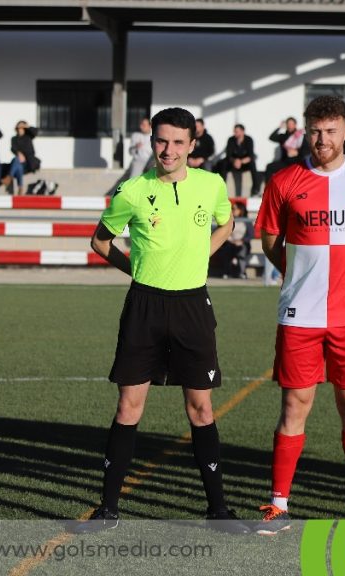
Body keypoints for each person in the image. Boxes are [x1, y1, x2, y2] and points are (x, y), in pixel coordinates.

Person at [73, 107, 247, 534]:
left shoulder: (211, 185)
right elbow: (99, 241)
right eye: (160, 141)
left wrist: (202, 253)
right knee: (129, 406)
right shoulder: (131, 191)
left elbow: (228, 222)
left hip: (192, 306)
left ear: (192, 145)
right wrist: (136, 268)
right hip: (145, 306)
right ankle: (109, 511)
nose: (167, 150)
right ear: (152, 141)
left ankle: (218, 512)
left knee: (201, 408)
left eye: (176, 142)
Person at [255, 96, 345, 535]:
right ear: (307, 133)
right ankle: (279, 503)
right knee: (294, 404)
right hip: (300, 317)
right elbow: (270, 242)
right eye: (316, 131)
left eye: (331, 130)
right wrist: (303, 276)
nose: (323, 139)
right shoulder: (283, 182)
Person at [221, 124, 260, 197]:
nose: (235, 134)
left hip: (245, 163)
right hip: (234, 163)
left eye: (237, 132)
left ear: (242, 131)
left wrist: (241, 161)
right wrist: (235, 161)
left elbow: (251, 155)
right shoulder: (231, 140)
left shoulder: (248, 140)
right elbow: (229, 155)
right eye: (235, 132)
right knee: (224, 163)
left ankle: (255, 189)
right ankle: (222, 188)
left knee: (253, 164)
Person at [6, 121, 39, 195]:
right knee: (18, 165)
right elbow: (13, 148)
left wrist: (27, 126)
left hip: (28, 162)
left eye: (21, 128)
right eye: (18, 128)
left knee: (16, 161)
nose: (19, 130)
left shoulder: (28, 136)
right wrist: (19, 153)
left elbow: (35, 131)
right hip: (19, 162)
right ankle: (20, 187)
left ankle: (9, 176)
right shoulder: (14, 139)